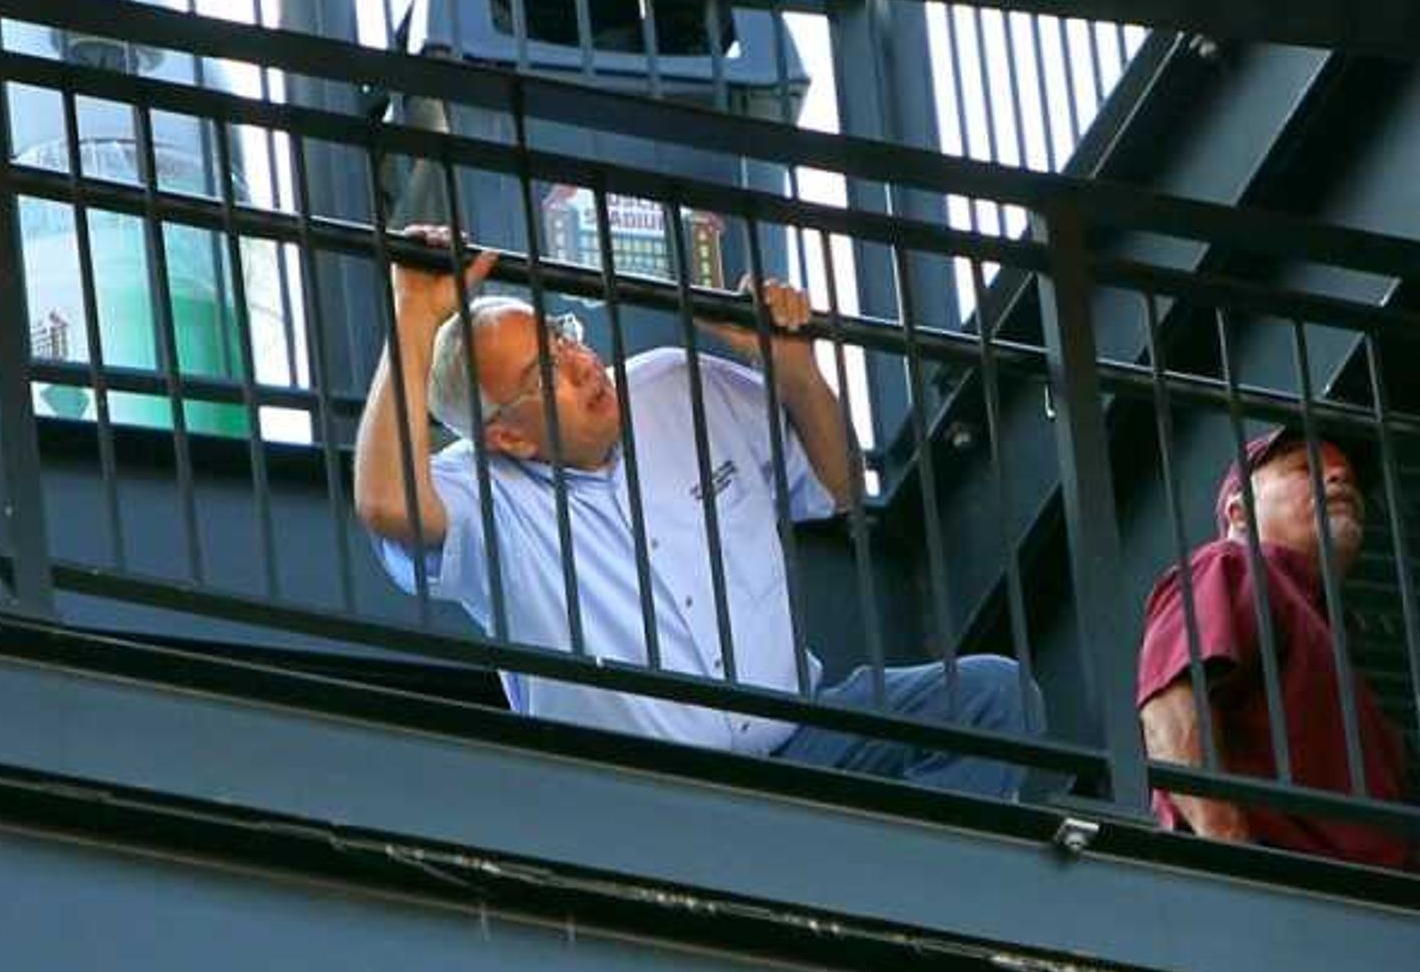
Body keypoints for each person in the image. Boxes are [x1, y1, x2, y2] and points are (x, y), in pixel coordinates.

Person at [351, 225, 1041, 794]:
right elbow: (384, 501)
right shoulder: (482, 491)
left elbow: (839, 485)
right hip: (661, 802)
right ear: (507, 435)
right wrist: (414, 310)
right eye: (545, 373)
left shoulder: (672, 382)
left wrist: (794, 365)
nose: (582, 363)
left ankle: (934, 907)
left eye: (562, 336)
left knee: (986, 694)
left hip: (804, 743)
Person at [1133, 424, 1420, 868]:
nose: (1340, 478)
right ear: (1240, 512)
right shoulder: (1232, 566)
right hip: (1280, 886)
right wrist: (1231, 850)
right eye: (1307, 469)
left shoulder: (1321, 628)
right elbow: (1170, 706)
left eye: (1348, 476)